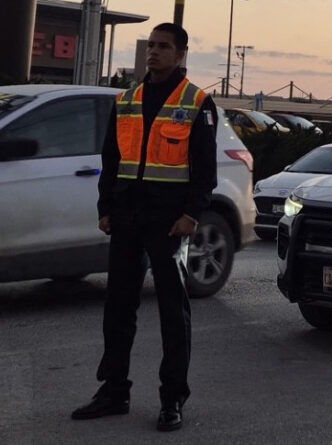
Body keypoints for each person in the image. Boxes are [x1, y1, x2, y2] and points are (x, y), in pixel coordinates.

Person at [71, 22, 217, 432]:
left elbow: (205, 172)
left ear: (181, 53)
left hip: (169, 223)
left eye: (163, 47)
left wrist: (191, 214)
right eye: (151, 45)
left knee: (173, 313)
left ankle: (172, 399)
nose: (154, 52)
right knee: (118, 309)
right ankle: (113, 391)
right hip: (127, 219)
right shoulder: (128, 99)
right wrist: (105, 207)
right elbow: (111, 160)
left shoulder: (197, 103)